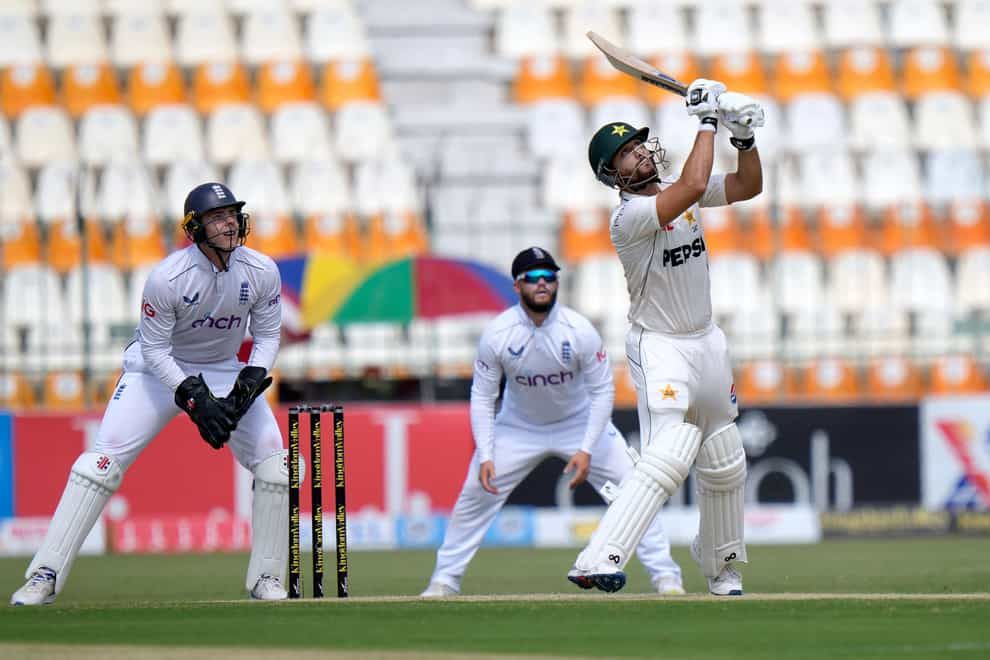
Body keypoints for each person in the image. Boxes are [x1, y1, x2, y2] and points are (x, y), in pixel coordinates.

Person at [11, 183, 288, 605]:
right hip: (156, 371)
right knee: (99, 465)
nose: (229, 223)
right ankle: (44, 575)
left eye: (232, 214)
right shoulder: (167, 278)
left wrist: (251, 379)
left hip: (223, 369)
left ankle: (267, 578)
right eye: (217, 217)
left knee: (276, 464)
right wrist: (190, 394)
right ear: (195, 228)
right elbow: (155, 349)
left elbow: (268, 335)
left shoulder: (262, 270)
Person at [566, 80, 765, 596]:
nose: (640, 153)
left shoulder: (678, 189)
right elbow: (695, 186)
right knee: (669, 454)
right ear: (614, 175)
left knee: (725, 458)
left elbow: (747, 187)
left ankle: (722, 565)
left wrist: (742, 139)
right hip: (660, 346)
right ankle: (598, 556)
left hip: (707, 342)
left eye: (639, 144)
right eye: (627, 153)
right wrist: (706, 120)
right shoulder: (629, 217)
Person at [421, 246, 684, 598]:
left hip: (580, 422)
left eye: (549, 276)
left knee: (634, 491)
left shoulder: (579, 331)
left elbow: (603, 392)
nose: (542, 283)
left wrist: (587, 448)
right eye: (532, 278)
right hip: (517, 427)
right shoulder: (498, 335)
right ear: (517, 286)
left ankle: (667, 578)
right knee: (474, 495)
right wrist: (486, 453)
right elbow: (483, 397)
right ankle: (444, 581)